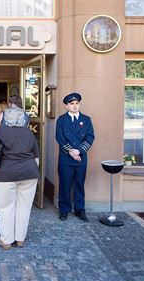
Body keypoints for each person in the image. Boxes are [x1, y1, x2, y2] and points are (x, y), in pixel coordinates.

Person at [0, 97, 40, 250]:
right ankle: (20, 239)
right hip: (29, 173)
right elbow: (36, 157)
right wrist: (32, 170)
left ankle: (7, 240)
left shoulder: (1, 131)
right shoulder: (28, 133)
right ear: (22, 119)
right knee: (24, 207)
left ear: (6, 118)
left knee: (5, 207)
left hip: (5, 174)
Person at [56, 92, 95, 222]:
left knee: (79, 185)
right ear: (67, 106)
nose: (74, 106)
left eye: (76, 103)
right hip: (66, 158)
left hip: (81, 158)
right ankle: (64, 210)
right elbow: (60, 138)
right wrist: (71, 152)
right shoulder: (61, 120)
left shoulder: (86, 120)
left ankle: (80, 210)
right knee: (65, 184)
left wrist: (79, 151)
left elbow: (90, 137)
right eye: (71, 104)